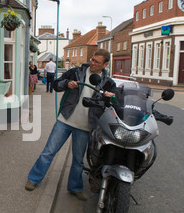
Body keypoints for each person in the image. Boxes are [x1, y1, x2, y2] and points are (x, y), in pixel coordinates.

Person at [25, 49, 116, 201]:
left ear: (105, 64)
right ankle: (33, 179)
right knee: (49, 151)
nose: (92, 63)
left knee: (78, 160)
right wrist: (67, 84)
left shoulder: (108, 83)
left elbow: (114, 103)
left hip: (86, 125)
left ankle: (75, 188)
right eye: (92, 59)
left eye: (97, 62)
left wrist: (110, 97)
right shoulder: (76, 72)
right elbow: (56, 84)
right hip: (65, 119)